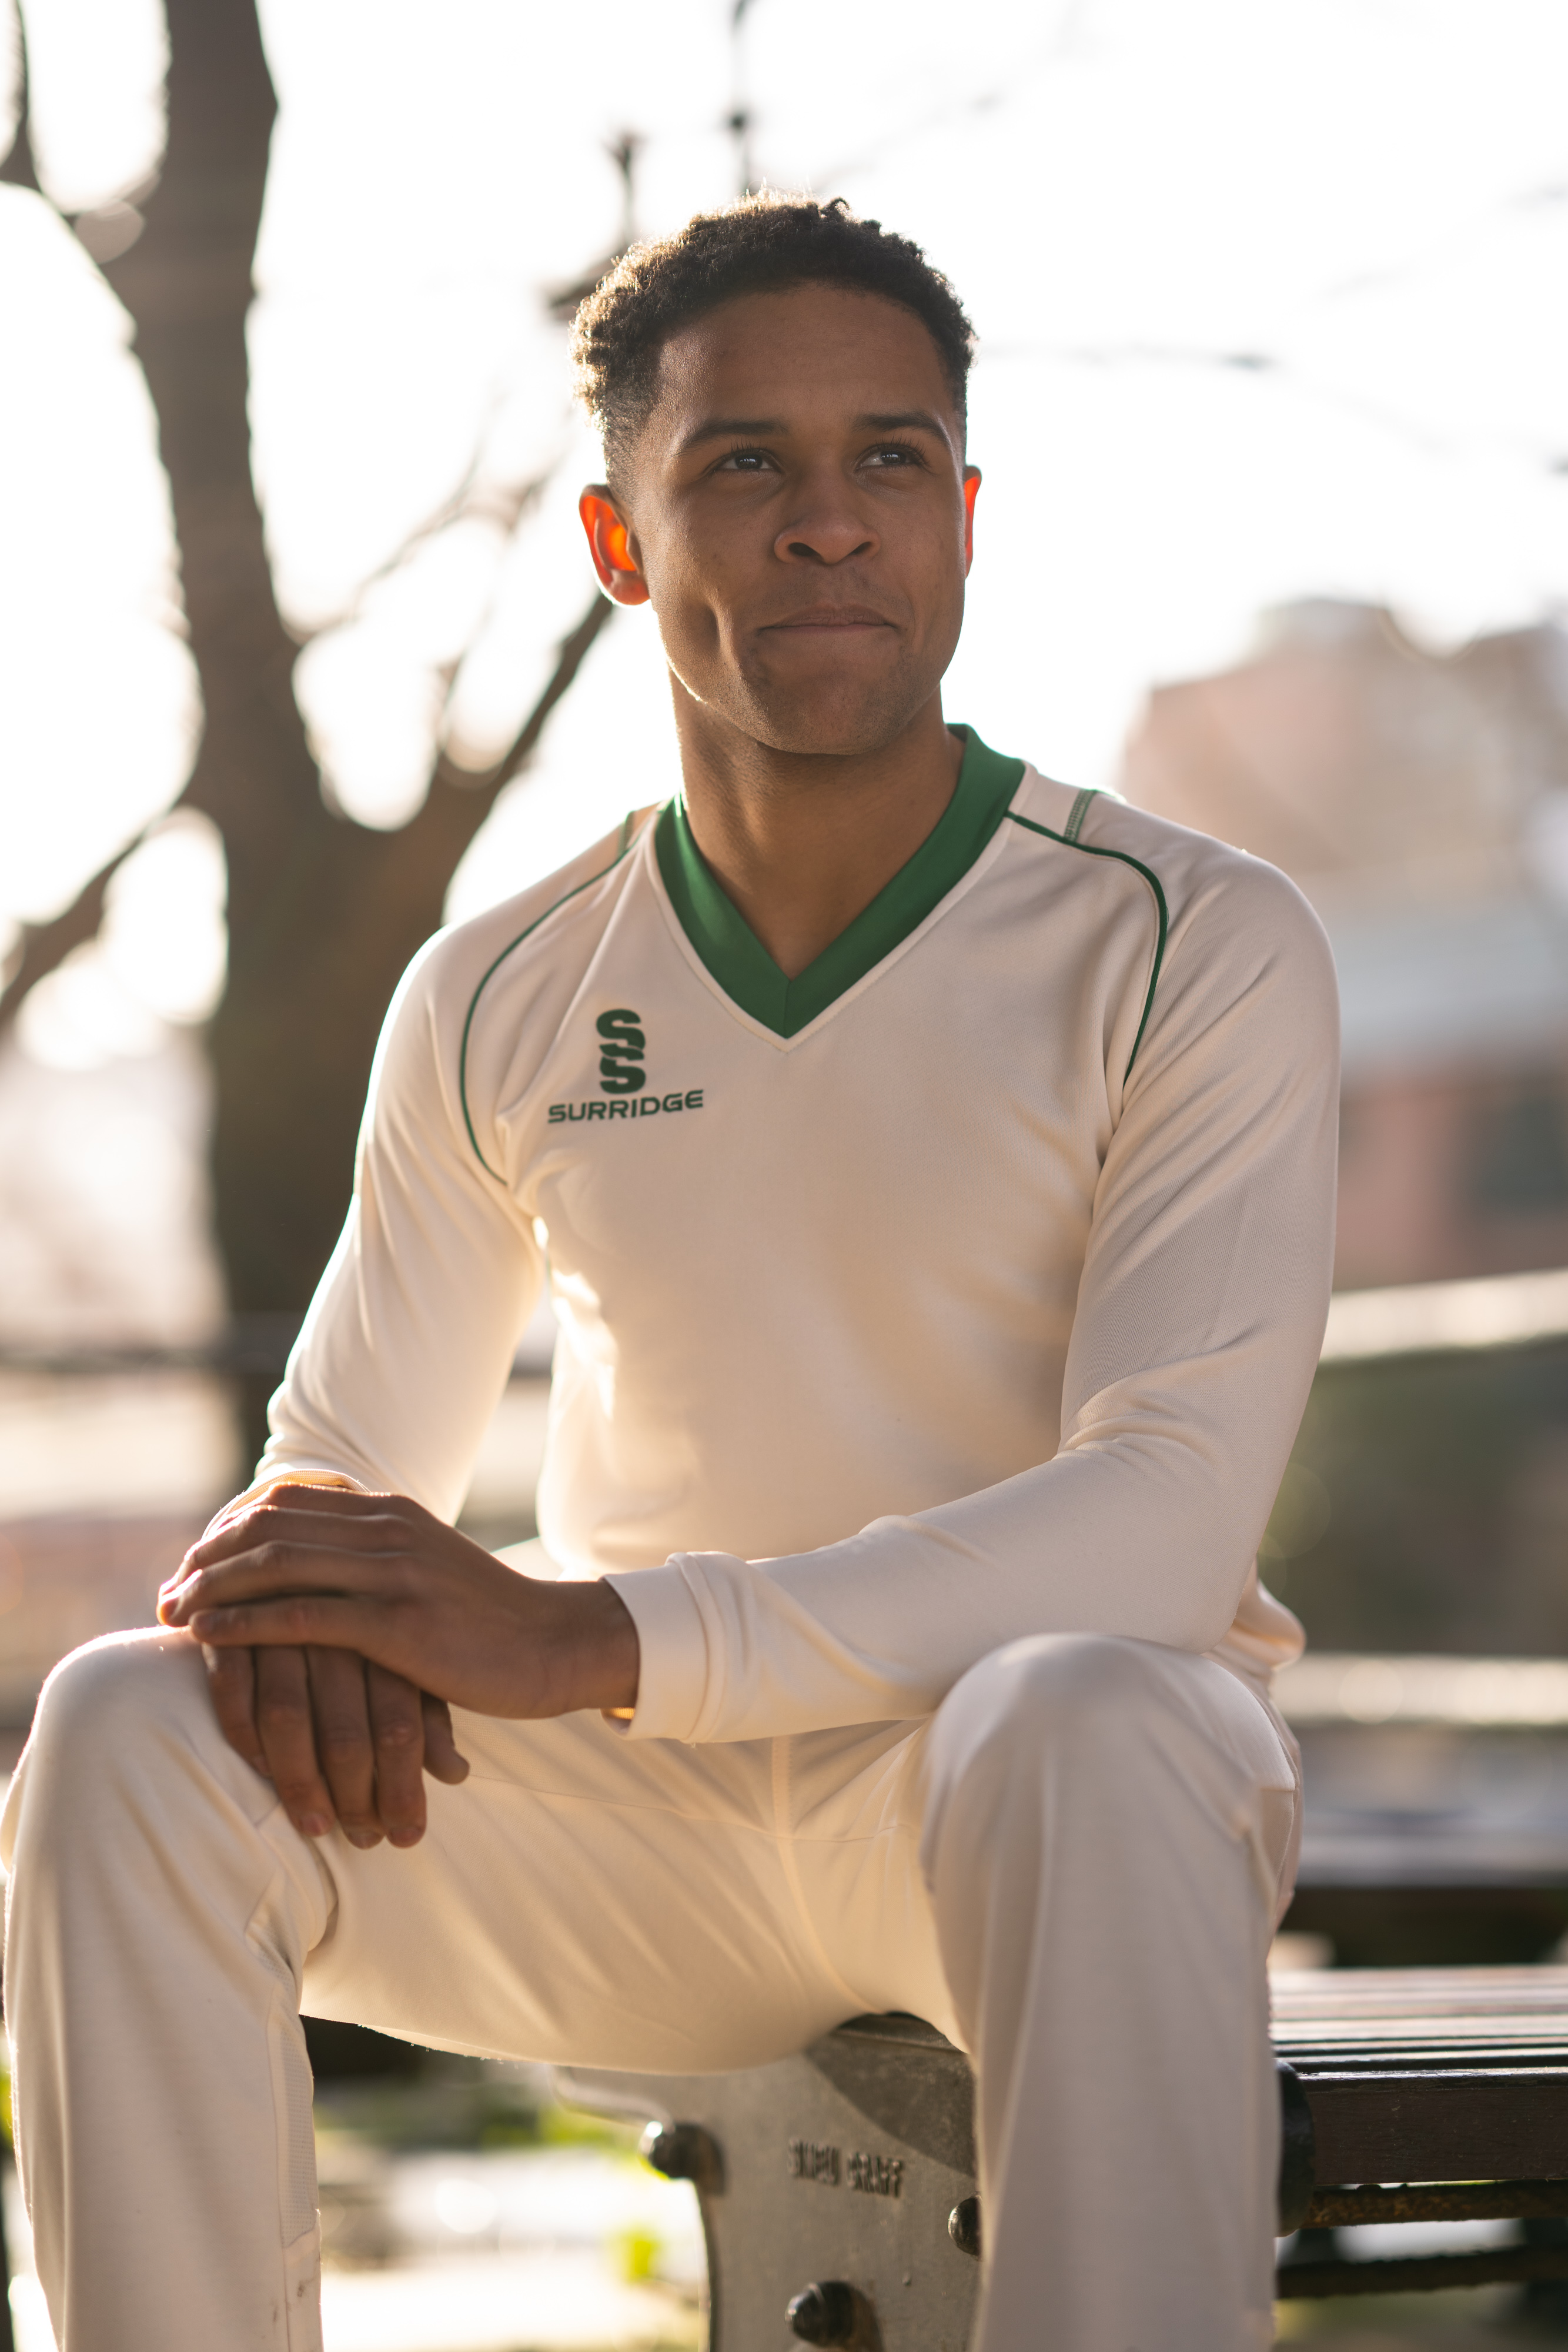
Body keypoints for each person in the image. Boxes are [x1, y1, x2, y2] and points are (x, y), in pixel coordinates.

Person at [1, 193, 1337, 2352]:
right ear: (623, 545)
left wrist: (588, 1635)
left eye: (889, 457)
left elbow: (1167, 1519)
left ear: (964, 520)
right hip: (637, 1842)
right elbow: (335, 1488)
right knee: (129, 1727)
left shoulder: (1193, 934)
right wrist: (323, 1601)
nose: (828, 521)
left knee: (1085, 1706)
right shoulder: (498, 985)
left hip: (1004, 1814)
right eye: (743, 464)